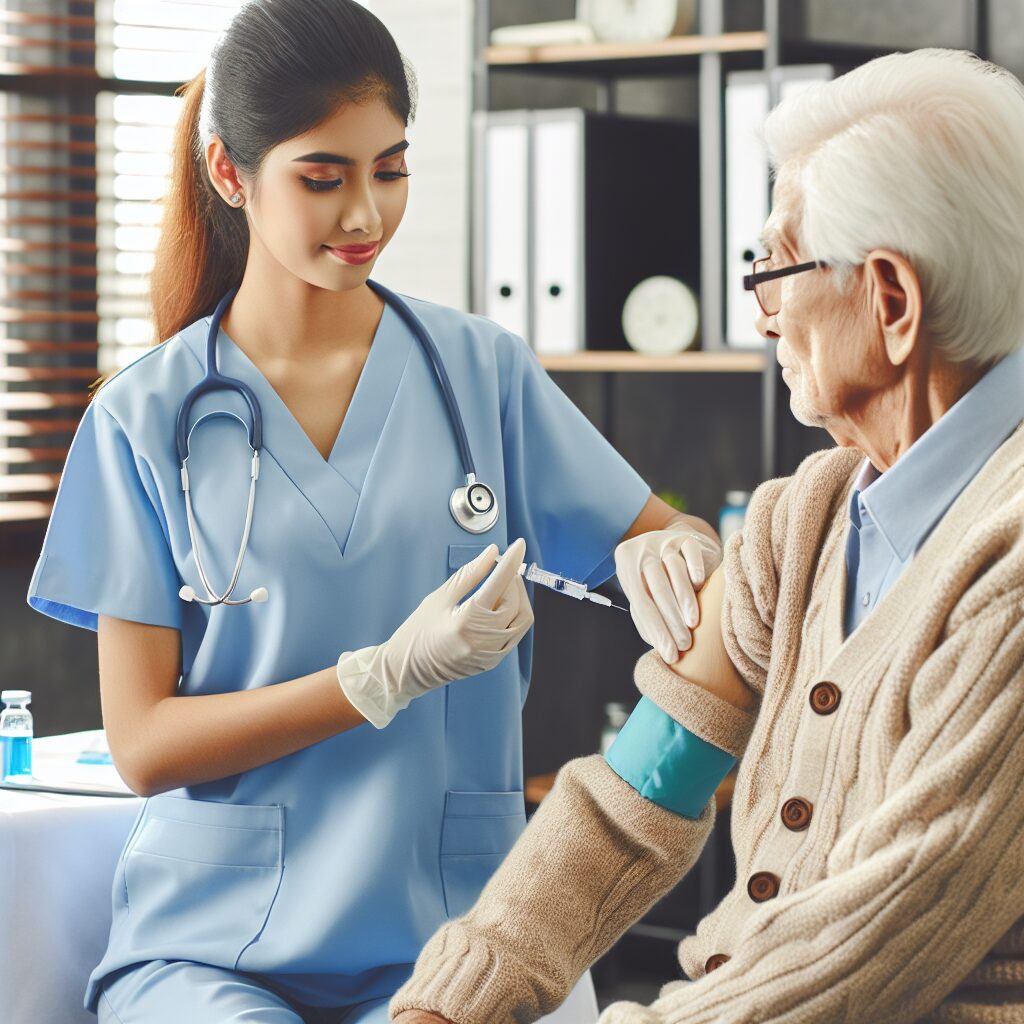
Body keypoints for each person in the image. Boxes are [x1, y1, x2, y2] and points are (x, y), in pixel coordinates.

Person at [25, 2, 721, 1022]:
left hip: (456, 940)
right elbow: (144, 743)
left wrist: (687, 552)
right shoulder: (146, 418)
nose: (365, 215)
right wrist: (380, 676)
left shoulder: (480, 374)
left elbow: (659, 541)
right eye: (323, 177)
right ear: (231, 174)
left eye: (388, 169)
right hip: (216, 951)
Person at [390, 48, 1024, 1024]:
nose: (759, 313)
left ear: (890, 301)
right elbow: (631, 797)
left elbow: (895, 917)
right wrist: (453, 997)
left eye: (773, 267)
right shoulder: (797, 521)